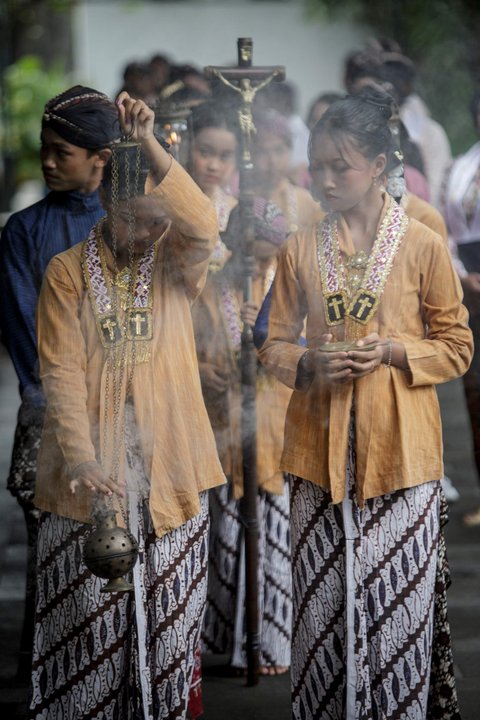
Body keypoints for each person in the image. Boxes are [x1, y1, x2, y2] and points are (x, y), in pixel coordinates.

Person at [259, 89, 472, 719]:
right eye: (316, 166)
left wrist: (394, 352)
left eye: (340, 167)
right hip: (314, 461)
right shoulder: (298, 247)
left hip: (402, 461)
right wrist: (307, 361)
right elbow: (270, 345)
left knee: (394, 619)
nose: (324, 180)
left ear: (379, 164)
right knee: (321, 622)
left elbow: (457, 347)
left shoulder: (423, 243)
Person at [29, 92, 225, 719]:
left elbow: (204, 224)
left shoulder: (175, 259)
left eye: (154, 219)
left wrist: (150, 145)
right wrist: (83, 463)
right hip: (90, 484)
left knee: (167, 640)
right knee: (85, 640)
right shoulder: (66, 272)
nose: (148, 232)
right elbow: (58, 370)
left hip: (171, 472)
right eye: (135, 218)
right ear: (107, 205)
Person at [0, 85, 119, 679]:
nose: (48, 162)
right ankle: (49, 667)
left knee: (117, 542)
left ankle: (117, 667)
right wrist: (56, 406)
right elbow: (27, 330)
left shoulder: (130, 224)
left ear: (101, 157)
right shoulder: (24, 231)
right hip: (51, 412)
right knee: (53, 542)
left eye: (61, 153)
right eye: (44, 150)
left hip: (126, 412)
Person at [443, 89, 480, 523]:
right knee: (476, 393)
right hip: (472, 285)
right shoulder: (461, 167)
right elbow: (448, 232)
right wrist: (460, 273)